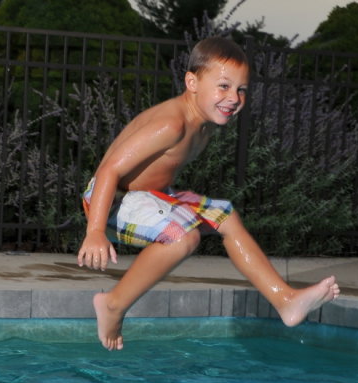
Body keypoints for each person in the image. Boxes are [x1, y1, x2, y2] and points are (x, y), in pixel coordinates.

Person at [77, 36, 340, 351]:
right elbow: (109, 171)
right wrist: (94, 231)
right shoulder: (171, 124)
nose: (234, 98)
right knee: (182, 236)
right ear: (192, 82)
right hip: (108, 202)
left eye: (241, 89)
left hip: (149, 196)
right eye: (224, 86)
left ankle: (284, 299)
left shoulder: (204, 122)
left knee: (225, 215)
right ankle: (113, 305)